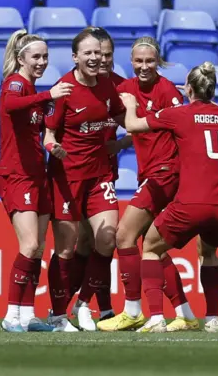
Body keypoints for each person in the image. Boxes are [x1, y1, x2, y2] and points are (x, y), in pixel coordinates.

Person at [120, 61, 218, 333]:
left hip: (192, 200)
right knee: (209, 252)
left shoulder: (179, 114)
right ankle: (212, 319)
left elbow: (133, 125)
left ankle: (155, 318)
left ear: (188, 88)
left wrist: (129, 104)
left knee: (150, 247)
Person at [98, 37, 198, 332]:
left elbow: (181, 129)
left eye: (150, 61)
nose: (144, 67)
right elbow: (143, 127)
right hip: (151, 173)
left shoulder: (167, 90)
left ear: (159, 62)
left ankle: (133, 310)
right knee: (153, 247)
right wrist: (122, 144)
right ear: (131, 62)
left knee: (124, 236)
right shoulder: (125, 89)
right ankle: (186, 313)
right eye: (139, 62)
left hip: (165, 174)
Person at [44, 27, 126, 332]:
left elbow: (122, 118)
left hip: (100, 174)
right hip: (67, 176)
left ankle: (82, 305)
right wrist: (55, 148)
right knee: (66, 247)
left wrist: (137, 134)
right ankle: (56, 314)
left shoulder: (107, 86)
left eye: (98, 53)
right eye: (87, 53)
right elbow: (48, 135)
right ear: (75, 57)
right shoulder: (63, 89)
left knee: (107, 238)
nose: (94, 58)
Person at [0, 29, 73, 332]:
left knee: (39, 248)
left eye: (45, 57)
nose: (42, 62)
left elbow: (36, 133)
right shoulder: (16, 83)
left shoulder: (32, 89)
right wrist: (48, 96)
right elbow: (10, 106)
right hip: (17, 176)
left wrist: (52, 146)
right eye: (36, 57)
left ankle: (27, 315)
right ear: (21, 58)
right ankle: (10, 315)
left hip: (36, 174)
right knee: (28, 245)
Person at [70, 27, 130, 322]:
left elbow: (138, 125)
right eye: (96, 54)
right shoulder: (75, 84)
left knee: (103, 238)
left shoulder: (120, 86)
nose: (102, 59)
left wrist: (119, 143)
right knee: (86, 240)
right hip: (77, 171)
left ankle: (93, 306)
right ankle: (78, 306)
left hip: (106, 170)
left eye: (107, 55)